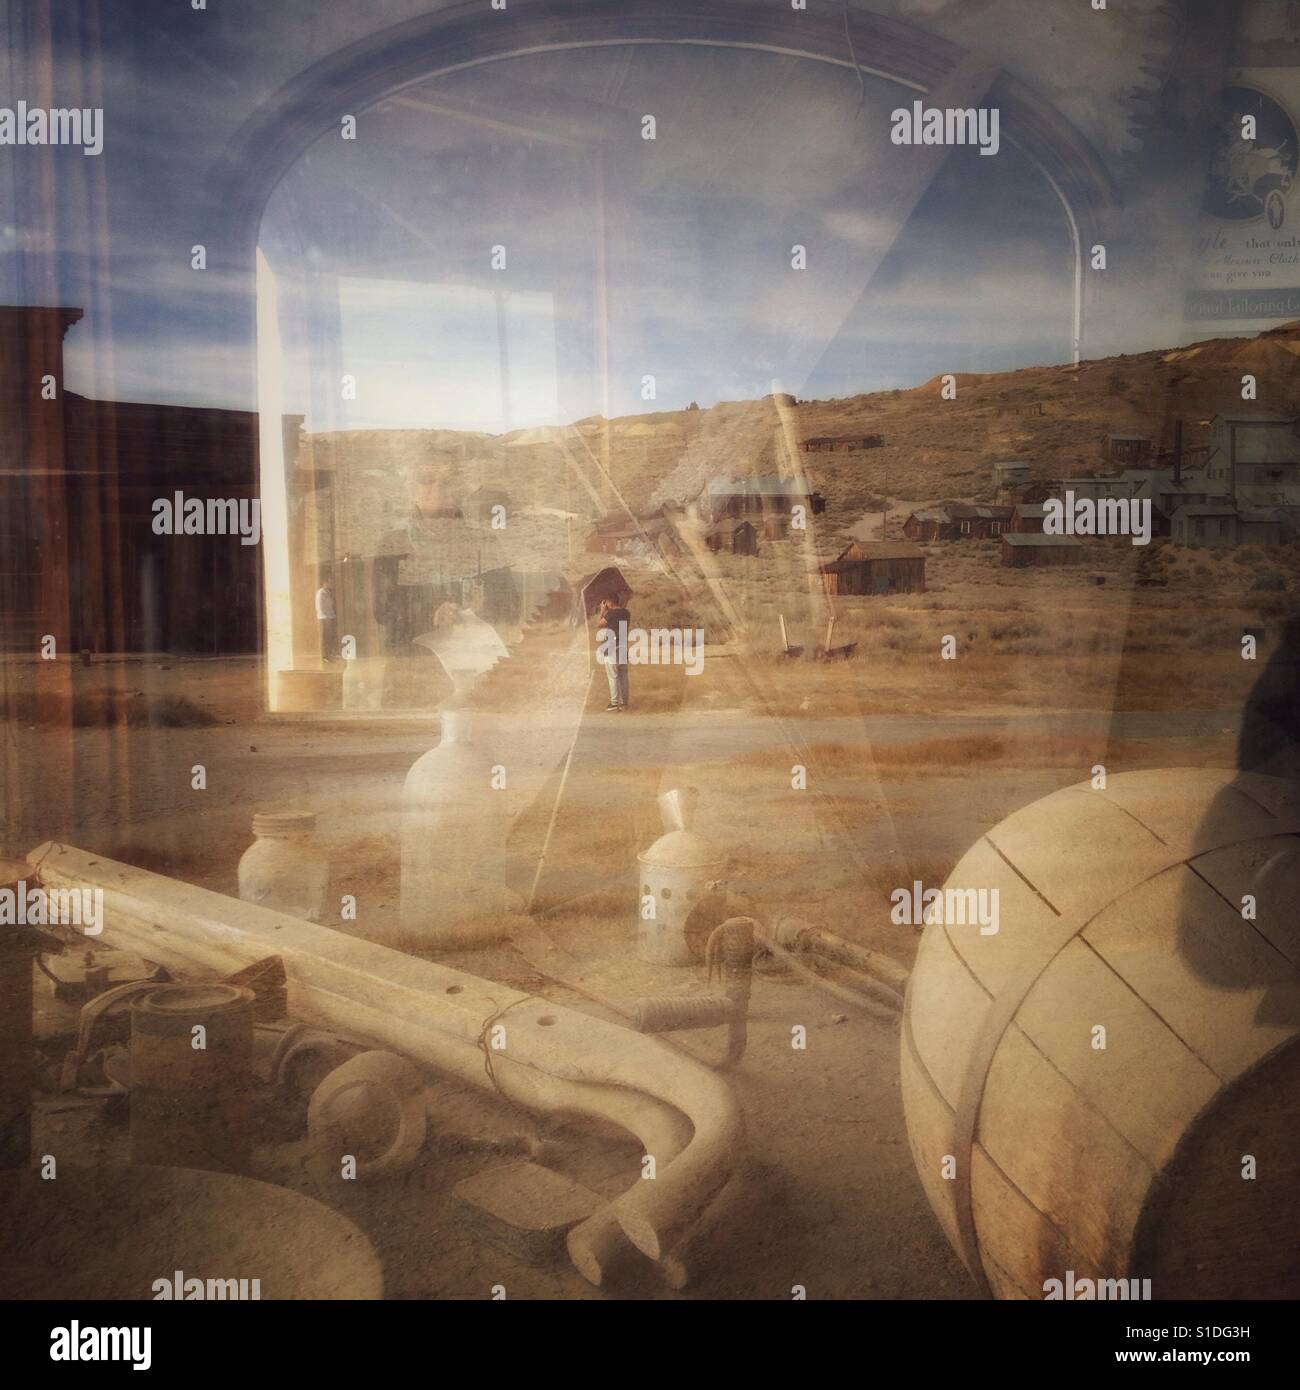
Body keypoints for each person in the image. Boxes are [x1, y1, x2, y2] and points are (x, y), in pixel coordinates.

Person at [596, 592, 631, 711]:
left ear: (610, 602)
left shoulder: (610, 614)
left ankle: (614, 703)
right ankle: (624, 703)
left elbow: (599, 624)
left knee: (613, 676)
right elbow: (621, 611)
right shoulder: (626, 613)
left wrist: (602, 610)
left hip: (611, 648)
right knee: (624, 676)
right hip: (623, 647)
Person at [315, 579, 337, 663]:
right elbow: (320, 607)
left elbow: (330, 606)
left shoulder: (328, 592)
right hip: (324, 618)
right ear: (325, 583)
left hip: (330, 617)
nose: (332, 584)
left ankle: (330, 654)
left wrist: (332, 616)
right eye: (330, 582)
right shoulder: (320, 593)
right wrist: (326, 617)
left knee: (330, 637)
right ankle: (325, 656)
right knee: (325, 637)